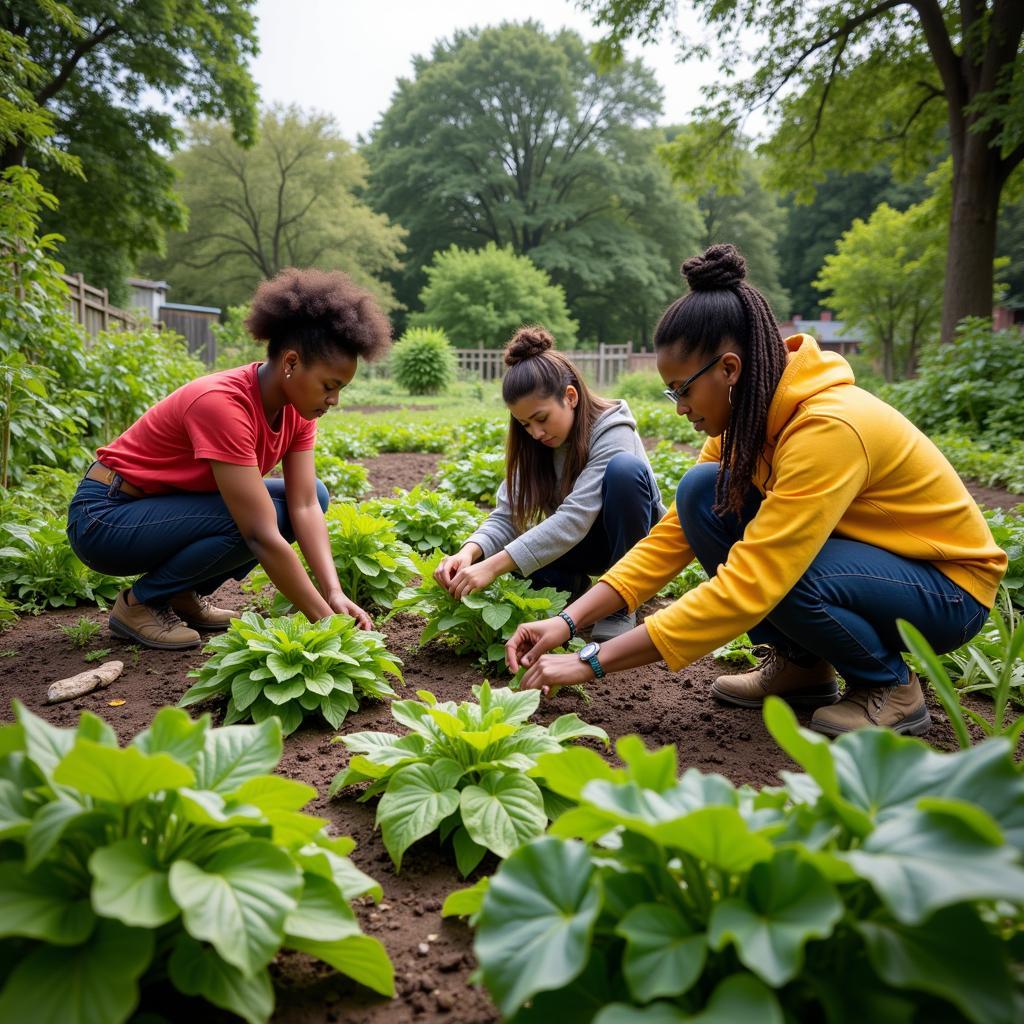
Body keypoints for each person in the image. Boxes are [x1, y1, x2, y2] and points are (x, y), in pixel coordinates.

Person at [505, 244, 1006, 736]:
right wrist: (567, 623)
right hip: (873, 563)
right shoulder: (739, 426)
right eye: (670, 391)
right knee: (703, 491)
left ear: (729, 369)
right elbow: (670, 538)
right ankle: (801, 666)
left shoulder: (828, 428)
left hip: (946, 589)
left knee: (780, 571)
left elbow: (753, 582)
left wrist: (591, 661)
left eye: (682, 388)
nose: (679, 406)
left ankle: (890, 685)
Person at [66, 268, 391, 650]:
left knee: (312, 496)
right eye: (329, 386)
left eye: (341, 389)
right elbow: (259, 534)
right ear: (290, 363)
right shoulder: (222, 403)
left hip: (159, 510)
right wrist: (328, 623)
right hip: (105, 517)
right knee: (254, 520)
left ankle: (181, 594)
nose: (334, 400)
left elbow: (304, 504)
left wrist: (333, 592)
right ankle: (140, 604)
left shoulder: (297, 410)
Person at [435, 326, 664, 642]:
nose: (536, 432)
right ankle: (576, 585)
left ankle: (623, 601)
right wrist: (470, 553)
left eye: (542, 418)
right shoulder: (534, 442)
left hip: (631, 542)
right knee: (503, 563)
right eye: (525, 423)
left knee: (625, 471)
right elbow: (507, 516)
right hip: (583, 545)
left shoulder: (614, 430)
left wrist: (492, 566)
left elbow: (573, 519)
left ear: (570, 397)